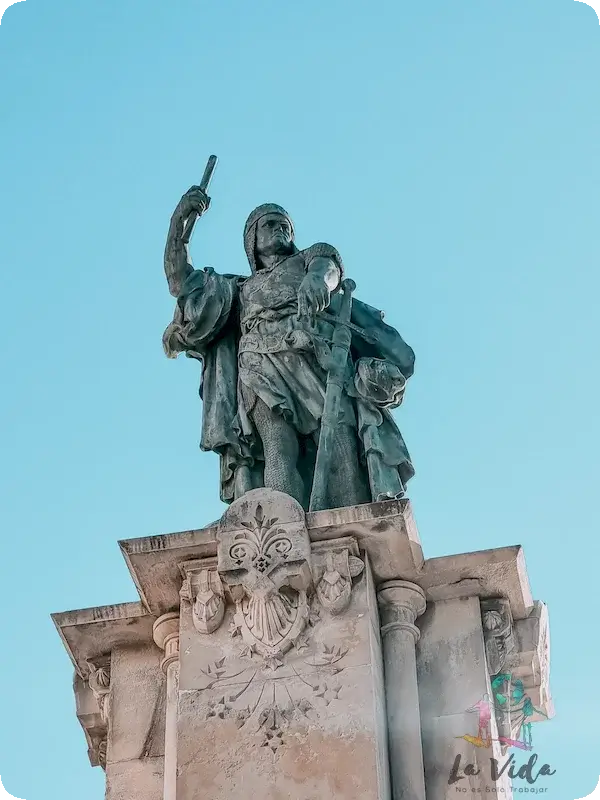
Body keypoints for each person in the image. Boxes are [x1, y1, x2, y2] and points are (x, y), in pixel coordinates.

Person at [163, 185, 415, 510]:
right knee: (277, 447)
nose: (280, 228)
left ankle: (350, 519)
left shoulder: (308, 259)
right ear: (252, 239)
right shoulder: (236, 289)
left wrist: (318, 282)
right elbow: (181, 282)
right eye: (269, 223)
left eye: (285, 225)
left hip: (314, 359)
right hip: (258, 364)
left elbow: (329, 269)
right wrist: (179, 222)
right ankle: (282, 522)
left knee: (339, 438)